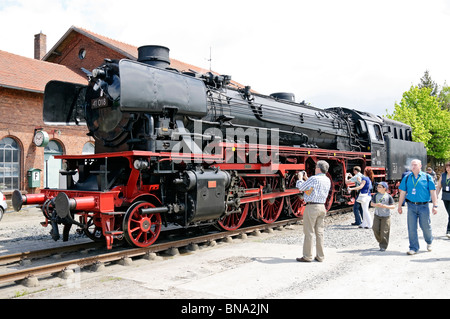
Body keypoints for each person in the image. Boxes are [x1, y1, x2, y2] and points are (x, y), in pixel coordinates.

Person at [397, 159, 438, 255]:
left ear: (420, 166)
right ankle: (414, 248)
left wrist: (435, 205)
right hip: (411, 206)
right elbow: (402, 192)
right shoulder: (407, 178)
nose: (413, 167)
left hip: (423, 206)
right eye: (412, 165)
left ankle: (429, 241)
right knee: (411, 228)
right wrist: (399, 206)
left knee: (425, 226)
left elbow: (433, 192)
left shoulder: (427, 177)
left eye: (415, 165)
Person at [295, 160, 331, 262]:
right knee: (320, 232)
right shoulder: (327, 180)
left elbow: (301, 187)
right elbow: (312, 189)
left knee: (309, 232)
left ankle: (307, 256)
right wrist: (307, 179)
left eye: (315, 168)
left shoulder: (314, 179)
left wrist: (300, 178)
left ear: (318, 168)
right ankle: (320, 256)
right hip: (321, 207)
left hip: (312, 207)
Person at [370, 182, 395, 251]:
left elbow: (393, 206)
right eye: (377, 187)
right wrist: (376, 205)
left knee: (384, 231)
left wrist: (385, 206)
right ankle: (380, 240)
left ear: (384, 188)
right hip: (377, 215)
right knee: (375, 228)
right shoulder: (376, 195)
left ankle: (383, 246)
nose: (377, 188)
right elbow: (371, 204)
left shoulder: (388, 196)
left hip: (386, 216)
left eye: (379, 187)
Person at [436, 161, 450, 238]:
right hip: (445, 197)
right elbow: (439, 186)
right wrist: (436, 195)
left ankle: (448, 231)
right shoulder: (443, 175)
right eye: (447, 167)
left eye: (449, 167)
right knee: (449, 213)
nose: (448, 168)